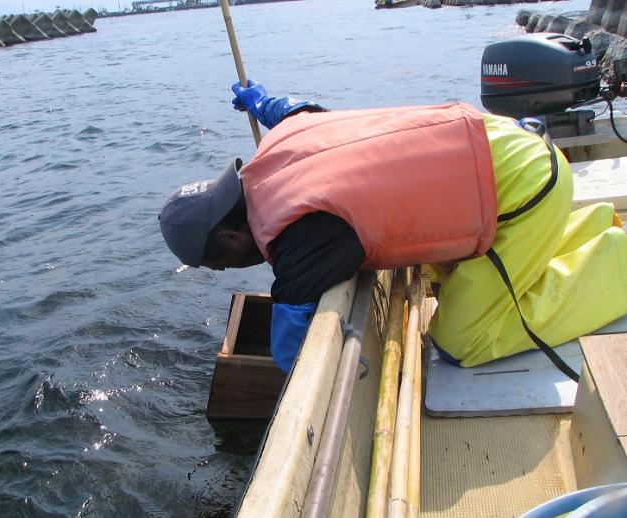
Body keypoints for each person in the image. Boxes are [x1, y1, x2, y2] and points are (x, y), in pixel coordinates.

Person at [158, 80, 627, 376]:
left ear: (230, 237)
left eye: (218, 264)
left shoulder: (297, 235)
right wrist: (257, 99)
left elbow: (289, 330)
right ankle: (594, 231)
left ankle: (619, 266)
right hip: (504, 143)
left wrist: (294, 380)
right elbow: (292, 109)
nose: (227, 270)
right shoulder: (279, 144)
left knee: (462, 343)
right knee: (451, 274)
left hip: (522, 195)